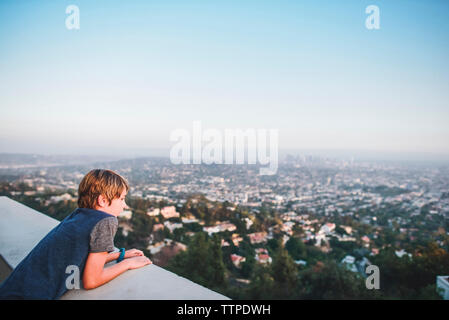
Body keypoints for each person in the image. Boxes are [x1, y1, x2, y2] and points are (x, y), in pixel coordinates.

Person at [0, 169, 152, 299]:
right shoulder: (106, 221)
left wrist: (119, 255)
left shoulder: (79, 215)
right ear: (103, 200)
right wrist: (128, 264)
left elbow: (77, 257)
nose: (125, 205)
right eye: (122, 199)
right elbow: (91, 280)